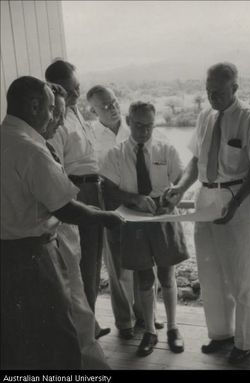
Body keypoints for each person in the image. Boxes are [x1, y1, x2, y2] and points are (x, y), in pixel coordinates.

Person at [0, 76, 123, 369]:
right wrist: (105, 216)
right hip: (32, 254)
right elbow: (66, 209)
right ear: (33, 106)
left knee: (18, 336)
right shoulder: (29, 149)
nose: (55, 116)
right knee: (58, 332)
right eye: (50, 109)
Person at [163, 62, 250, 364]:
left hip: (236, 195)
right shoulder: (206, 116)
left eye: (218, 92)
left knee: (240, 271)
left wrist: (234, 204)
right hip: (204, 195)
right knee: (209, 269)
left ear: (235, 87)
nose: (212, 98)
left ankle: (246, 341)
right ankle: (221, 333)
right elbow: (196, 160)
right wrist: (181, 189)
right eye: (208, 92)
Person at [100, 101, 189, 357]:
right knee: (144, 278)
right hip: (133, 220)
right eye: (139, 125)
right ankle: (150, 331)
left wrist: (175, 195)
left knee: (167, 275)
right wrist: (133, 198)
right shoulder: (116, 154)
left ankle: (173, 328)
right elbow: (107, 188)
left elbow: (182, 179)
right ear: (128, 122)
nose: (144, 131)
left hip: (162, 216)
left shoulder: (166, 149)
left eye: (149, 125)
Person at [87, 85, 163, 339]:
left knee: (146, 260)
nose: (112, 109)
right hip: (112, 202)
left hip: (141, 204)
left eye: (114, 102)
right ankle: (125, 321)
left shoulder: (133, 127)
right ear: (93, 110)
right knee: (119, 266)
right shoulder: (91, 135)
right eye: (105, 106)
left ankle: (147, 315)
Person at [44, 83, 110, 369]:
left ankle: (90, 324)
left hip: (92, 189)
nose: (76, 92)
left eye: (76, 87)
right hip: (75, 193)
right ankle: (84, 336)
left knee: (92, 263)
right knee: (78, 270)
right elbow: (58, 168)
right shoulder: (53, 126)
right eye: (72, 87)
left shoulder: (75, 113)